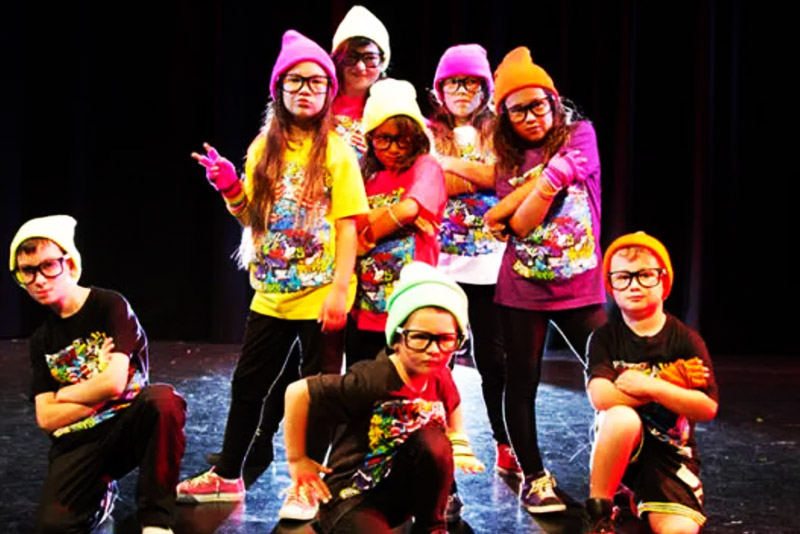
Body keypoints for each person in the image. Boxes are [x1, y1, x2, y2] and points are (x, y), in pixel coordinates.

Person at [178, 29, 369, 521]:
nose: (305, 89)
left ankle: (308, 487)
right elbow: (252, 219)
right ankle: (229, 474)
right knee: (248, 385)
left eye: (316, 82)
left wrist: (340, 291)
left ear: (329, 92)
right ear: (278, 89)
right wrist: (230, 187)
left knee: (317, 393)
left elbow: (349, 226)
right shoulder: (263, 147)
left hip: (320, 293)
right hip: (271, 292)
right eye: (295, 80)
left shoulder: (336, 152)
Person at [484, 46, 607, 513]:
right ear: (505, 117)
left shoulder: (580, 134)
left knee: (612, 374)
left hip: (580, 287)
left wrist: (515, 201)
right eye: (517, 110)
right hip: (522, 288)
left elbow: (523, 210)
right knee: (522, 381)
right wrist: (518, 202)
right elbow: (520, 226)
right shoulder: (508, 158)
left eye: (538, 105)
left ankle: (624, 472)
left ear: (554, 102)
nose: (531, 117)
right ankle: (534, 477)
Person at [9, 215, 187, 534]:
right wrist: (98, 387)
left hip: (125, 425)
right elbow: (46, 418)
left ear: (70, 265)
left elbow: (115, 383)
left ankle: (156, 521)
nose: (39, 279)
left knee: (163, 401)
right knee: (53, 527)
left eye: (48, 266)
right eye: (28, 270)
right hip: (77, 442)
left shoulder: (109, 306)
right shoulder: (41, 340)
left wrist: (64, 394)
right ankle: (101, 495)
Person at [283, 261, 484, 534]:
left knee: (434, 442)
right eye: (420, 337)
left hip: (401, 492)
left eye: (445, 339)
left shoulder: (439, 375)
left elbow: (452, 404)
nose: (434, 350)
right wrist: (297, 460)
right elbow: (298, 392)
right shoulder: (372, 379)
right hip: (355, 495)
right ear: (397, 339)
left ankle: (432, 526)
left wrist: (459, 442)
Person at [427, 43, 521, 479]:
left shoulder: (500, 132)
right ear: (440, 90)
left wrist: (452, 169)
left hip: (490, 266)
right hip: (440, 265)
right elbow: (430, 184)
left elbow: (506, 179)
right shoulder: (427, 133)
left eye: (470, 83)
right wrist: (479, 178)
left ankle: (505, 442)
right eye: (453, 83)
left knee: (494, 362)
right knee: (435, 360)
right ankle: (432, 441)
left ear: (485, 89)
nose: (462, 91)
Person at [585, 232, 718, 534]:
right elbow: (601, 397)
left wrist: (653, 386)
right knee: (621, 417)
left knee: (679, 531)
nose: (634, 285)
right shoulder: (605, 338)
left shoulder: (685, 340)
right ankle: (600, 511)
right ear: (611, 287)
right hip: (620, 448)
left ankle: (641, 499)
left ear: (664, 282)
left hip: (670, 455)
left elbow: (706, 407)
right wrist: (669, 383)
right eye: (623, 277)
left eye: (645, 275)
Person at [346, 78, 447, 366]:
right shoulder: (365, 175)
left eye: (402, 139)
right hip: (365, 307)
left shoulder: (425, 166)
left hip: (410, 311)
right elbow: (349, 220)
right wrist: (391, 216)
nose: (393, 148)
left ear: (417, 138)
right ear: (370, 139)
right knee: (361, 382)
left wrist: (366, 236)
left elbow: (409, 208)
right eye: (383, 139)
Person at [330, 4, 391, 159]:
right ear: (337, 60)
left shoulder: (394, 105)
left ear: (382, 62)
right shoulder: (320, 102)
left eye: (369, 59)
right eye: (351, 57)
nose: (360, 67)